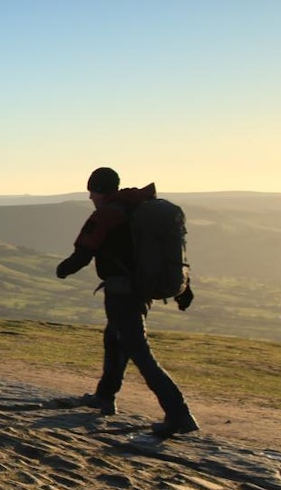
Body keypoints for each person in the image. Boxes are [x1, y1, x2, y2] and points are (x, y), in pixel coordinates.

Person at [56, 167, 199, 438]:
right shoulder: (139, 209)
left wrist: (63, 269)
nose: (90, 198)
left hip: (123, 292)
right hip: (141, 289)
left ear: (98, 190)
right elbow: (167, 254)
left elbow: (84, 250)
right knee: (114, 339)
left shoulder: (109, 213)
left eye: (92, 192)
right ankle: (105, 396)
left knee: (138, 350)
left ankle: (179, 413)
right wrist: (184, 289)